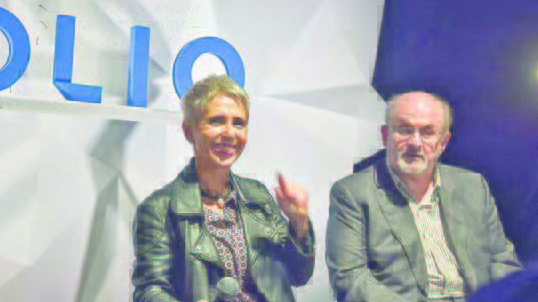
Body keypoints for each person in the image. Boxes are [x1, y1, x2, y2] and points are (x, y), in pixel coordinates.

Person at [132, 75, 315, 302]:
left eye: (238, 123)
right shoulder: (158, 209)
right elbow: (149, 290)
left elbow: (298, 275)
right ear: (189, 130)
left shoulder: (258, 196)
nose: (229, 133)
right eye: (216, 121)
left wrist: (299, 223)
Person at [325, 91, 523, 302]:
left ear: (443, 142)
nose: (415, 142)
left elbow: (502, 261)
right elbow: (350, 279)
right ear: (385, 135)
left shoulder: (473, 186)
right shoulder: (353, 193)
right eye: (405, 130)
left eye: (428, 132)